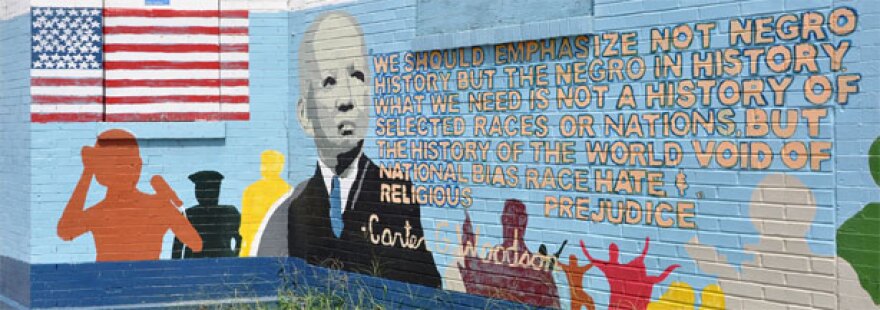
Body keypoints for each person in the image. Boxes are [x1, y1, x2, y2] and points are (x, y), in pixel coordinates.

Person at [253, 11, 440, 288]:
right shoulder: (293, 208)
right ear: (305, 116)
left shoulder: (398, 194)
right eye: (329, 81)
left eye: (357, 76)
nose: (347, 100)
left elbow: (428, 289)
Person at [57, 129, 203, 261]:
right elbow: (195, 243)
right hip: (146, 283)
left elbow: (66, 230)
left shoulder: (99, 213)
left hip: (107, 284)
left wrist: (87, 171)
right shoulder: (158, 206)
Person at [172, 171, 242, 259]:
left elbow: (241, 238)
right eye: (200, 189)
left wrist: (235, 258)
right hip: (194, 265)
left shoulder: (230, 212)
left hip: (220, 263)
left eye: (209, 188)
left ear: (217, 190)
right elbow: (177, 248)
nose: (203, 193)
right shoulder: (188, 215)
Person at [239, 150, 291, 257]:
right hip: (254, 244)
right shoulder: (251, 191)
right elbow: (244, 225)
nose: (266, 167)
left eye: (270, 164)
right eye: (264, 163)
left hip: (276, 245)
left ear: (279, 166)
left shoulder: (287, 191)